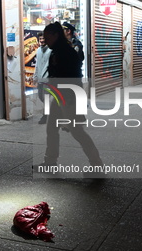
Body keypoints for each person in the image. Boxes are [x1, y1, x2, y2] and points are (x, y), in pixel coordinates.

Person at [41, 22, 103, 171]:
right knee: (51, 128)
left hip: (68, 98)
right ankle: (50, 161)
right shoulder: (57, 51)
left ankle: (97, 164)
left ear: (56, 35)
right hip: (59, 97)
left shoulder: (66, 52)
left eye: (48, 37)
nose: (45, 41)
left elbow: (74, 77)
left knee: (77, 132)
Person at [33, 32, 52, 124]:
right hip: (40, 79)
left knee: (46, 98)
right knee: (41, 97)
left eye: (43, 38)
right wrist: (35, 76)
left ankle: (45, 116)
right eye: (40, 39)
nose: (42, 40)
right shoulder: (38, 50)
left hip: (48, 79)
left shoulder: (51, 50)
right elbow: (37, 65)